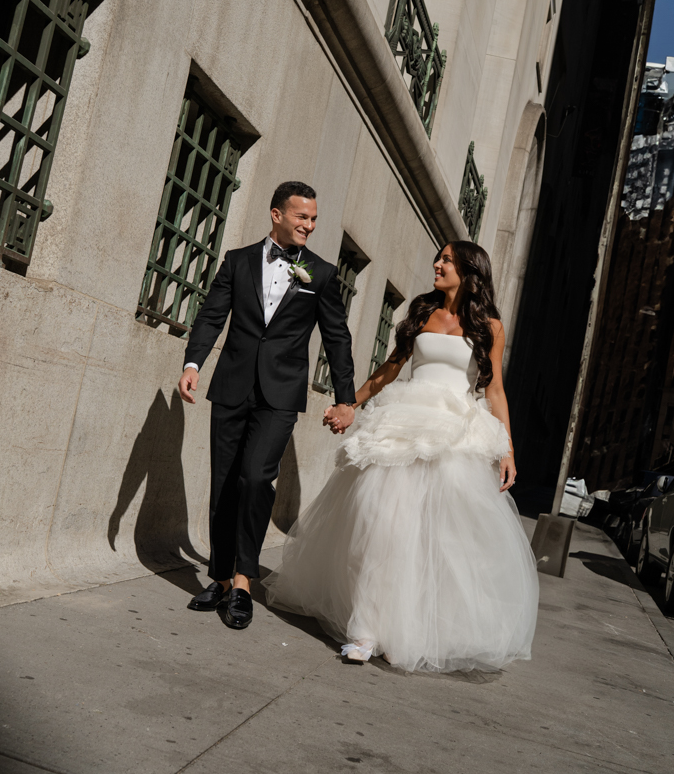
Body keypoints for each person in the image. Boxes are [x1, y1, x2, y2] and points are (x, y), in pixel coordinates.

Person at [264, 241, 539, 672]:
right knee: (381, 526)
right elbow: (391, 367)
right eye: (438, 257)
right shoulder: (422, 311)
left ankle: (404, 632)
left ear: (470, 272)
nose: (437, 263)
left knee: (434, 540)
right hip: (403, 425)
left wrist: (507, 449)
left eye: (447, 260)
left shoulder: (490, 326)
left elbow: (495, 391)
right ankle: (366, 630)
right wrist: (350, 404)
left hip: (453, 436)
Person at [178, 181, 356, 631]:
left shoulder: (322, 273)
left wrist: (346, 398)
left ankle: (244, 581)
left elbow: (337, 338)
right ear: (276, 214)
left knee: (255, 478)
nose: (309, 226)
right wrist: (194, 362)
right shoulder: (237, 261)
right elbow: (213, 314)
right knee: (224, 483)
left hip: (280, 395)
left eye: (314, 218)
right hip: (232, 387)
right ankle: (220, 577)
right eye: (302, 217)